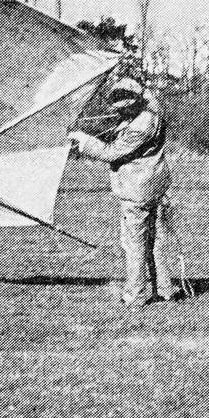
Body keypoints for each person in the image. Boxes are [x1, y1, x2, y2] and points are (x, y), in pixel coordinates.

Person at [69, 77, 176, 307]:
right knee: (155, 241)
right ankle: (165, 290)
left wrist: (84, 141)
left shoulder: (140, 126)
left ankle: (135, 295)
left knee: (134, 242)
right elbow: (143, 99)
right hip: (156, 185)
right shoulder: (152, 107)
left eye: (124, 106)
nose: (119, 110)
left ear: (135, 102)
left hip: (138, 190)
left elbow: (111, 152)